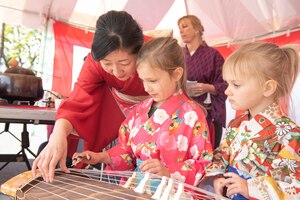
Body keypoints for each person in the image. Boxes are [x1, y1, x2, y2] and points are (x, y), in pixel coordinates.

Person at [72, 37, 213, 186]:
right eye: (143, 80)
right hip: (137, 189)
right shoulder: (140, 109)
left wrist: (168, 171)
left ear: (177, 74)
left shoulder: (193, 115)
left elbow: (204, 163)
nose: (146, 88)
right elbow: (127, 151)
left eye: (152, 81)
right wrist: (100, 157)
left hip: (168, 192)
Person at [32, 10, 150, 182]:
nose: (116, 71)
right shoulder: (94, 63)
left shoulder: (154, 56)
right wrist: (57, 135)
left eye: (124, 63)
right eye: (107, 63)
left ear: (139, 52)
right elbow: (78, 99)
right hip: (112, 109)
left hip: (155, 113)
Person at [204, 42, 300, 199]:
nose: (227, 91)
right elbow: (221, 155)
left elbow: (293, 188)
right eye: (228, 83)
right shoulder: (236, 124)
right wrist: (217, 177)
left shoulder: (290, 135)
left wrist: (251, 188)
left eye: (236, 85)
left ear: (268, 88)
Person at [177, 15, 227, 149]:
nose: (181, 31)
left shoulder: (213, 55)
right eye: (179, 28)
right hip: (185, 113)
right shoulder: (180, 55)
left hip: (209, 113)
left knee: (208, 151)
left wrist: (208, 87)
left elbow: (226, 84)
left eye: (185, 26)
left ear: (197, 29)